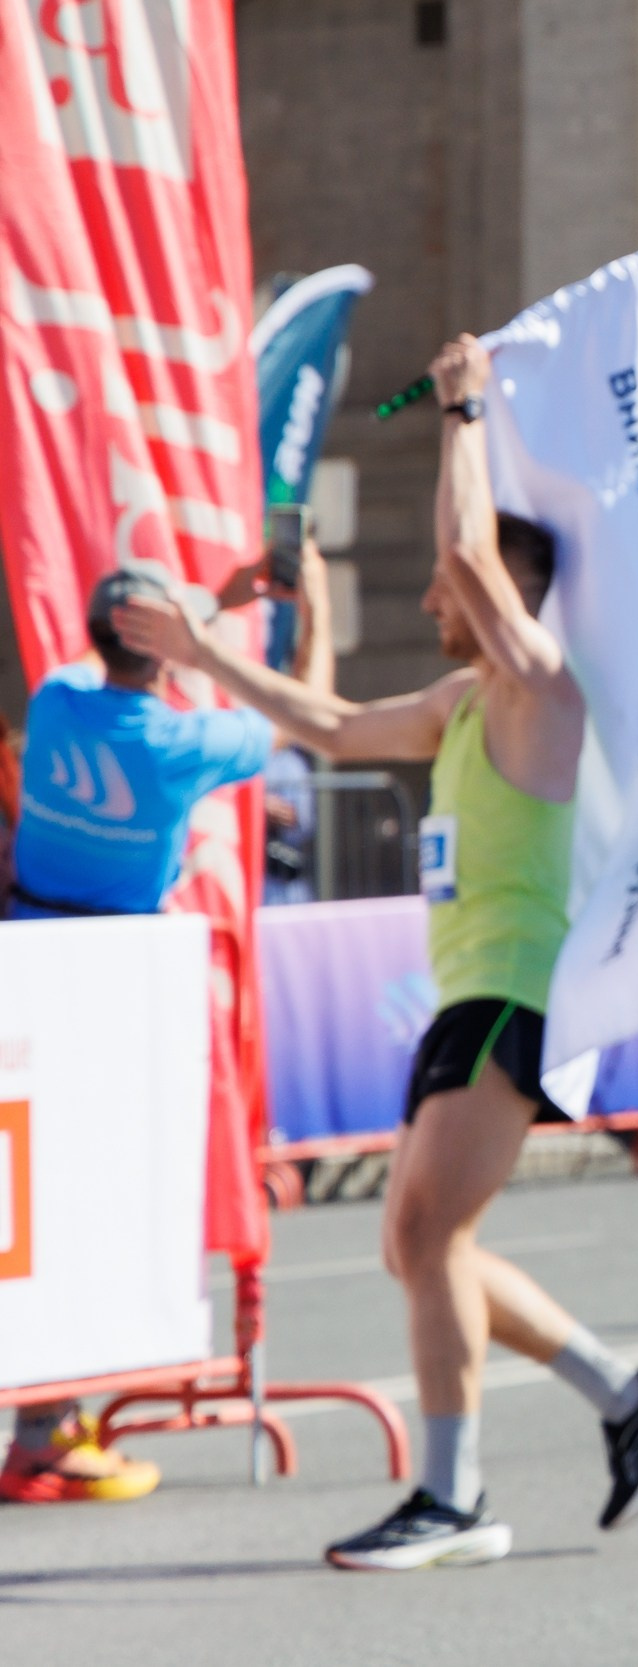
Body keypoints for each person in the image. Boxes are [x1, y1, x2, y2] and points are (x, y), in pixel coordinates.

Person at [113, 334, 638, 1570]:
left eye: (452, 585)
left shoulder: (544, 683)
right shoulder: (460, 701)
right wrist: (203, 653)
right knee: (419, 1241)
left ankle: (455, 1495)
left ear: (512, 585)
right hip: (468, 992)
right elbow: (325, 726)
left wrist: (466, 408)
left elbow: (471, 556)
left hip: (515, 990)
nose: (433, 599)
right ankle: (625, 1395)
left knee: (427, 1233)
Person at [2, 565, 282, 1504]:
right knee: (81, 1206)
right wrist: (293, 619)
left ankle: (45, 1421)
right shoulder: (179, 742)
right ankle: (42, 1434)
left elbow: (112, 655)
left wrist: (220, 600)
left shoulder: (54, 702)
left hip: (27, 953)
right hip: (111, 986)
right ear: (163, 646)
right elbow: (298, 719)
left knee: (31, 1206)